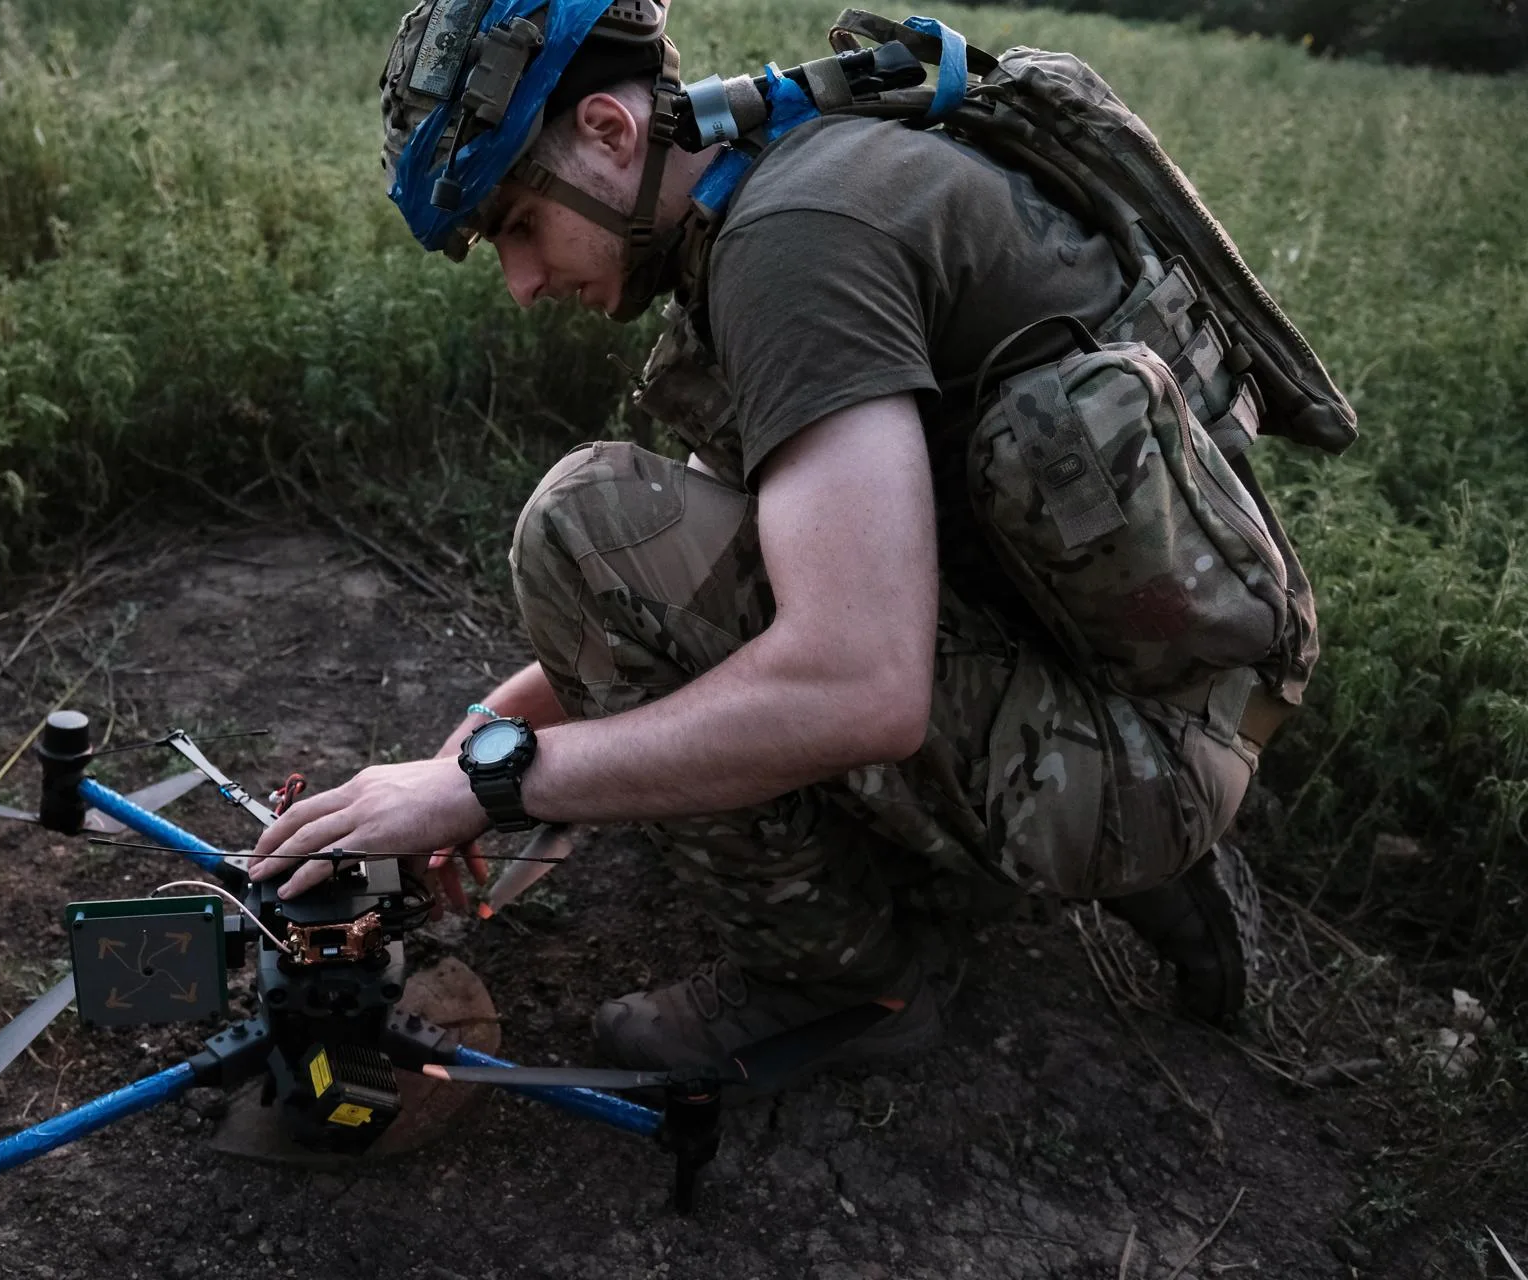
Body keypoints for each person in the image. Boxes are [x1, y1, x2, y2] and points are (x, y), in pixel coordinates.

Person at [246, 0, 1300, 1076]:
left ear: (609, 132)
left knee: (582, 523)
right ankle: (1094, 845)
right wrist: (460, 757)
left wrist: (494, 783)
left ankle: (848, 983)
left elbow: (856, 685)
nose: (521, 284)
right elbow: (712, 576)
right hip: (1138, 686)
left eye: (519, 219)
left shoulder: (791, 244)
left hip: (1136, 749)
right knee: (615, 548)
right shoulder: (783, 185)